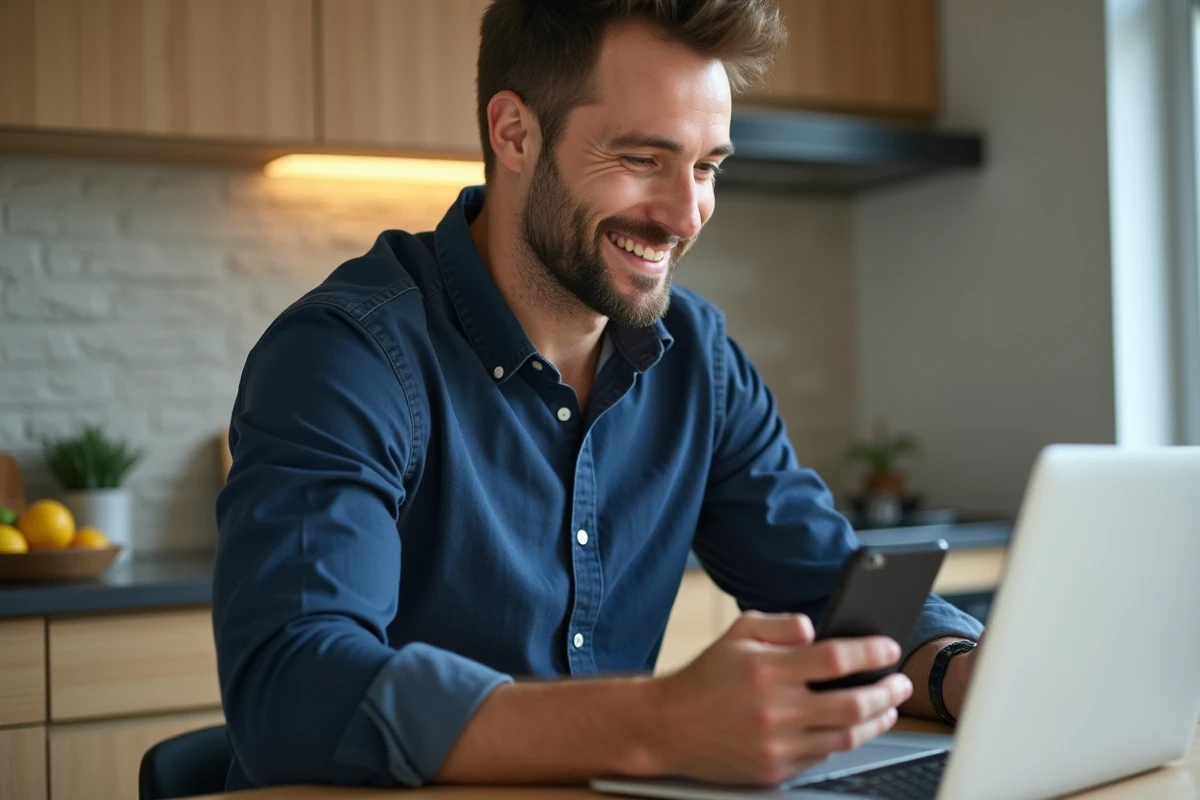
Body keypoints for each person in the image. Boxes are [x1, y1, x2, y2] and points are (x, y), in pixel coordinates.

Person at [213, 0, 985, 791]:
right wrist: (661, 723)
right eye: (643, 159)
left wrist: (957, 671)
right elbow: (293, 694)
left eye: (708, 166)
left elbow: (830, 583)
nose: (686, 214)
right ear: (514, 132)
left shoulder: (700, 360)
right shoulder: (345, 358)